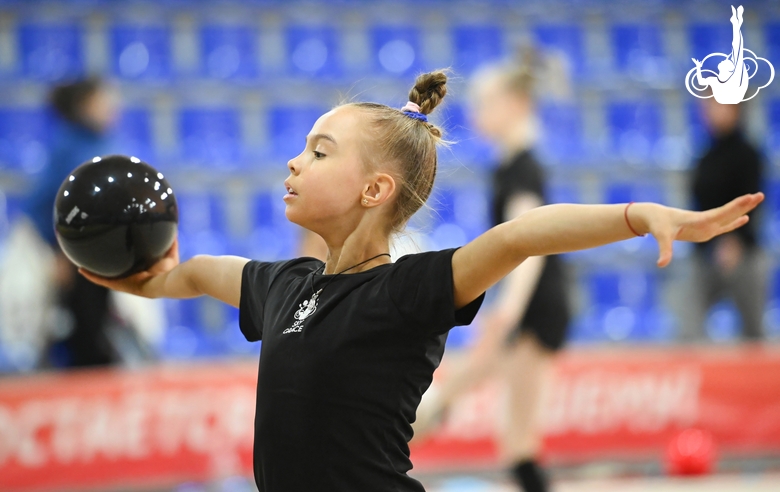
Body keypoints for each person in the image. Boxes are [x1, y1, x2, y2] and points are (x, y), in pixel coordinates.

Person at [81, 70, 762, 492]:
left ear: (376, 188)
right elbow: (190, 274)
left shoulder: (407, 292)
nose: (294, 163)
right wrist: (122, 271)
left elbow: (520, 235)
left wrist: (638, 215)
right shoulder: (281, 285)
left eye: (319, 152)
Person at [412, 53, 570, 492]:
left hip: (537, 307)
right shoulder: (510, 165)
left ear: (516, 103)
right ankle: (418, 419)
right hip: (532, 306)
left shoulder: (522, 168)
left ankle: (413, 423)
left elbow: (531, 242)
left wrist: (511, 308)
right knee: (511, 433)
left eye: (485, 103)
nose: (476, 113)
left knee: (519, 438)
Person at [685, 92, 766, 342]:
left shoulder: (748, 154)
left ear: (736, 109)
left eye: (717, 104)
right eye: (708, 105)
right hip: (705, 248)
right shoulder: (704, 155)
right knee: (689, 323)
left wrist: (734, 240)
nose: (710, 110)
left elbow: (752, 202)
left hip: (741, 250)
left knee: (753, 329)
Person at [692, 5, 748, 104]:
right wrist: (698, 67)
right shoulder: (713, 80)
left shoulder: (735, 80)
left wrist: (736, 26)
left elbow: (737, 48)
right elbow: (701, 82)